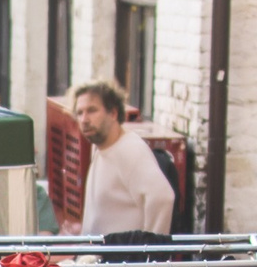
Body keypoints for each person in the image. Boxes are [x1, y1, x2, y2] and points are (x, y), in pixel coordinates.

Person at [64, 80, 174, 235]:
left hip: (124, 251)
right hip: (99, 249)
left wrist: (149, 247)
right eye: (80, 113)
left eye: (92, 111)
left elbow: (163, 197)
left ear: (113, 113)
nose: (84, 120)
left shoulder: (129, 149)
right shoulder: (100, 147)